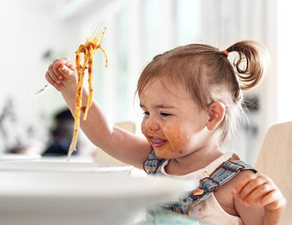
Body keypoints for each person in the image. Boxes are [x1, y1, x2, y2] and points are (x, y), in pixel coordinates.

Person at [45, 41, 286, 224]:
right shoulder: (156, 160)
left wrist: (272, 210)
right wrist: (73, 90)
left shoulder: (239, 183)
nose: (149, 124)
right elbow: (106, 135)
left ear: (212, 115)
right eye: (146, 112)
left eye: (165, 114)